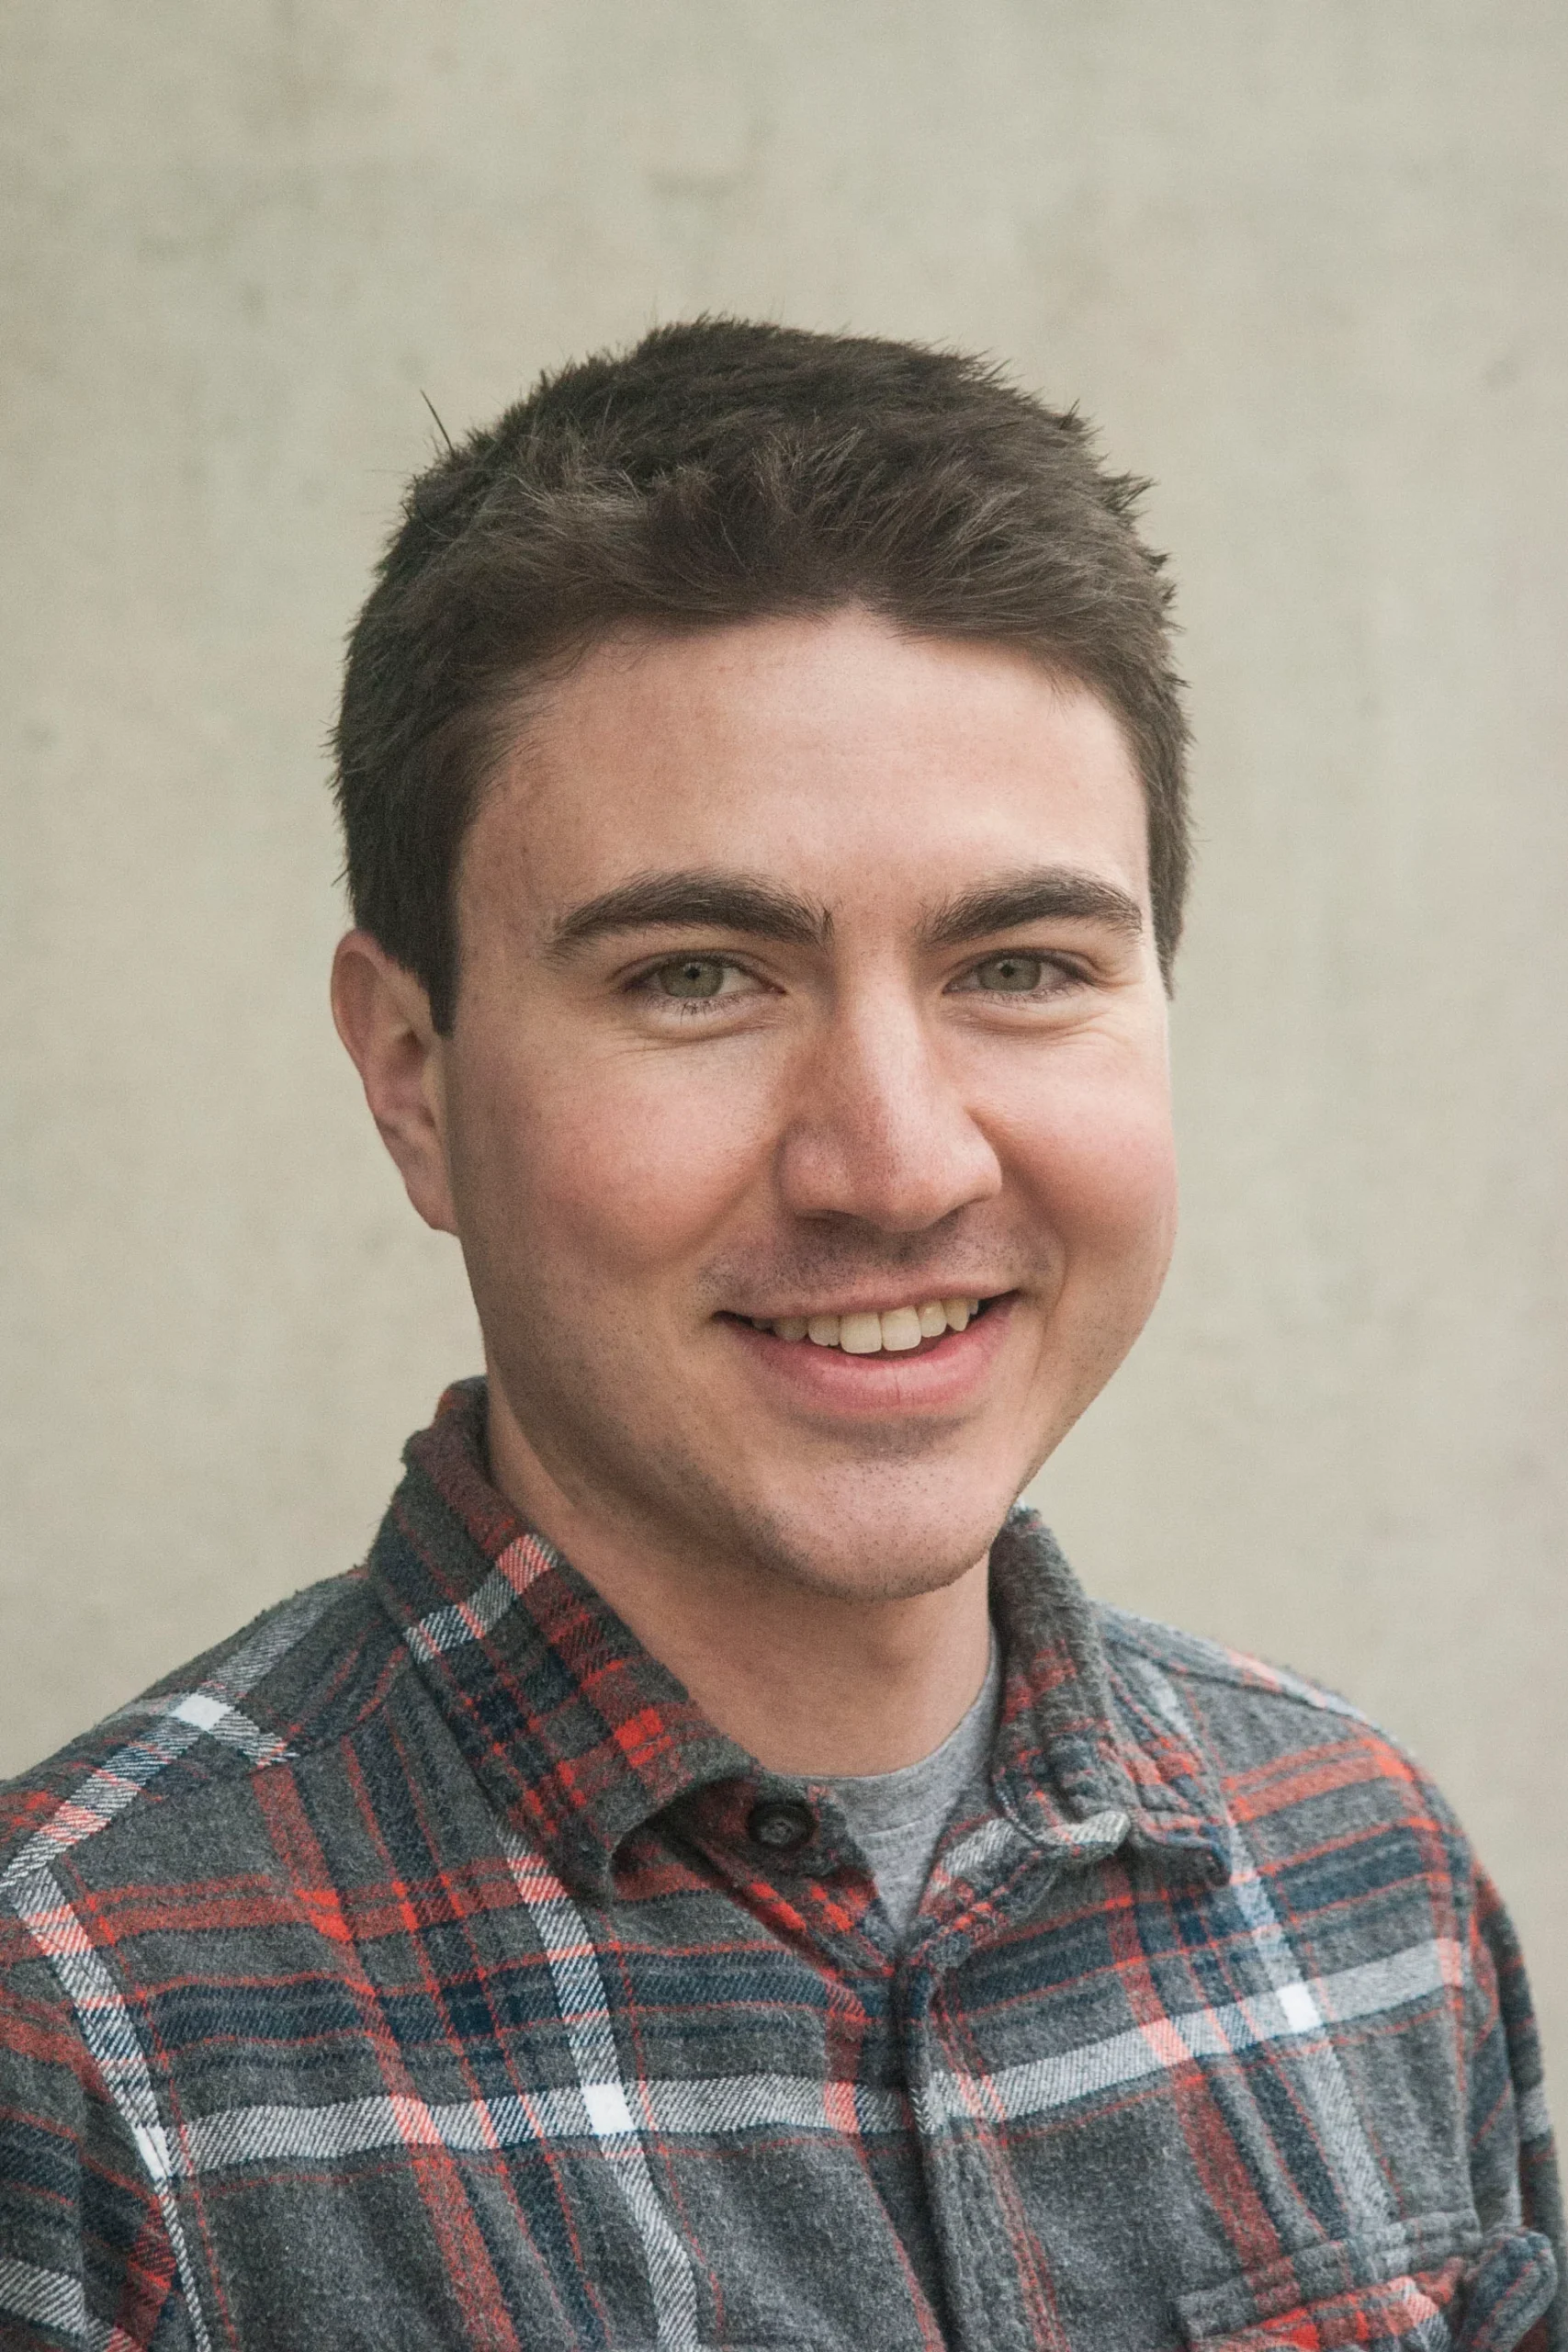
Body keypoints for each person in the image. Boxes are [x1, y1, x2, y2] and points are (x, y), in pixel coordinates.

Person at [0, 321, 1559, 2352]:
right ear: (410, 1073)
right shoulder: (78, 2036)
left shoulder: (1361, 1873)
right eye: (698, 974)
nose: (895, 1164)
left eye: (1018, 961)